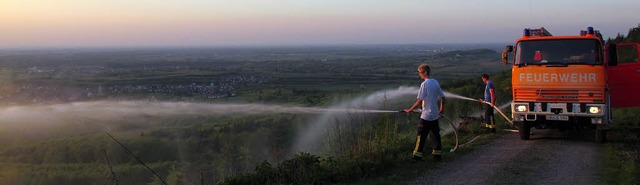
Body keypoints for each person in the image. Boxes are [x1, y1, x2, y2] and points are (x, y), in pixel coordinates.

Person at [404, 64, 445, 162]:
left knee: (421, 136)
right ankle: (437, 155)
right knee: (435, 135)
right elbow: (443, 97)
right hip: (434, 115)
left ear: (425, 72)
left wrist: (410, 110)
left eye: (420, 72)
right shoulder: (435, 82)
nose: (419, 75)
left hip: (426, 116)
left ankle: (417, 157)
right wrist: (441, 110)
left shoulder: (424, 84)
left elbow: (419, 100)